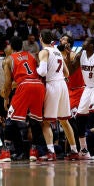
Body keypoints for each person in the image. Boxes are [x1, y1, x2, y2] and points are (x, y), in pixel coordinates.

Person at [0, 36, 45, 162]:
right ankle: (34, 151)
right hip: (38, 85)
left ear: (11, 46)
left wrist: (6, 98)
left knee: (10, 119)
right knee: (35, 121)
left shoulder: (8, 60)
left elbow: (7, 83)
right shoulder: (32, 56)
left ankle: (5, 152)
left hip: (24, 86)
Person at [36, 29, 79, 161]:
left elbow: (42, 72)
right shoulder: (57, 51)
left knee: (45, 122)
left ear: (41, 39)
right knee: (64, 121)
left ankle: (50, 152)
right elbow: (66, 73)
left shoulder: (44, 52)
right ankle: (74, 151)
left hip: (52, 85)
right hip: (62, 86)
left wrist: (35, 69)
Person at [58, 34, 85, 150]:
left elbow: (69, 71)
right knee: (66, 122)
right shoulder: (59, 56)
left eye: (63, 39)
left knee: (74, 122)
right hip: (67, 91)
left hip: (78, 91)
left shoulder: (74, 55)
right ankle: (71, 150)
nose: (60, 40)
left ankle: (79, 149)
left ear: (69, 44)